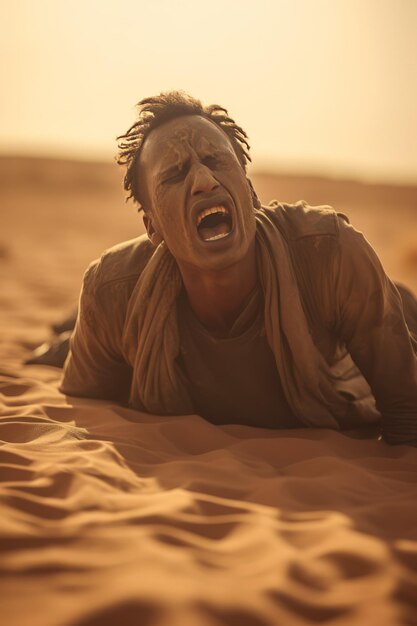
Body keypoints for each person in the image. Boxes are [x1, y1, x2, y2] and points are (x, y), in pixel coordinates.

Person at [36, 91, 417, 443]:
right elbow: (85, 409)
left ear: (251, 194)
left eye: (216, 161)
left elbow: (405, 413)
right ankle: (70, 337)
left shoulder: (329, 253)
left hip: (389, 312)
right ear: (153, 226)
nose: (203, 181)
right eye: (174, 174)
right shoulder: (113, 290)